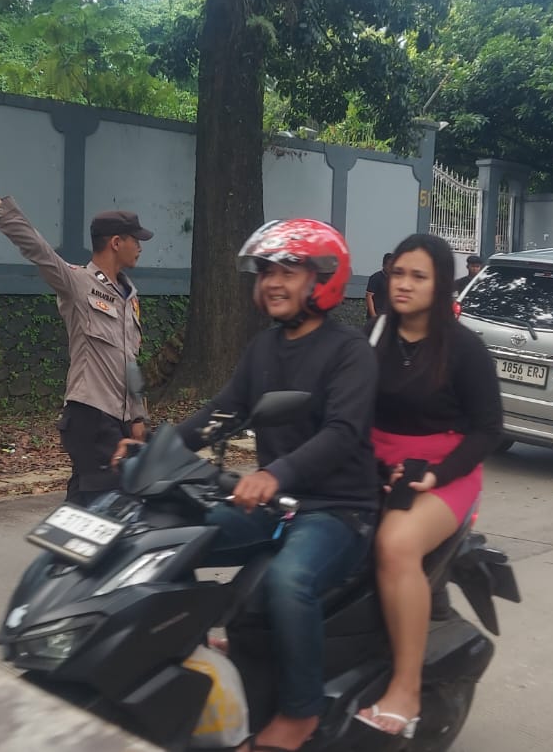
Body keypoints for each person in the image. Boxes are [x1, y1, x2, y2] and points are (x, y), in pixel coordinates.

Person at [117, 219, 377, 752]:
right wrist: (157, 449)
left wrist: (274, 474)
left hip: (336, 510)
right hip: (276, 505)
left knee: (288, 580)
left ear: (322, 279)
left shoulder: (349, 352)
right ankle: (184, 662)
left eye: (288, 271)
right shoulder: (264, 348)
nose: (273, 283)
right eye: (266, 272)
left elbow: (342, 434)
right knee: (174, 542)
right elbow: (223, 412)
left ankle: (301, 712)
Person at [354, 233, 502, 739]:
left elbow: (488, 430)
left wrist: (435, 474)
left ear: (440, 285)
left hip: (442, 470)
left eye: (418, 276)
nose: (404, 284)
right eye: (398, 273)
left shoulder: (464, 348)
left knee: (395, 545)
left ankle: (406, 688)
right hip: (373, 463)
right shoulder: (375, 335)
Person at [0, 152, 150, 506]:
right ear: (116, 242)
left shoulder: (129, 297)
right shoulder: (78, 283)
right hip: (91, 416)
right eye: (135, 239)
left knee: (85, 506)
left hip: (120, 422)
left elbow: (131, 364)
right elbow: (34, 246)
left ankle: (60, 544)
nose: (140, 246)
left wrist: (138, 417)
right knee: (115, 502)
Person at [365, 253, 394, 319]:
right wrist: (373, 315)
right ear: (384, 265)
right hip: (377, 315)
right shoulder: (376, 277)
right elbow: (369, 296)